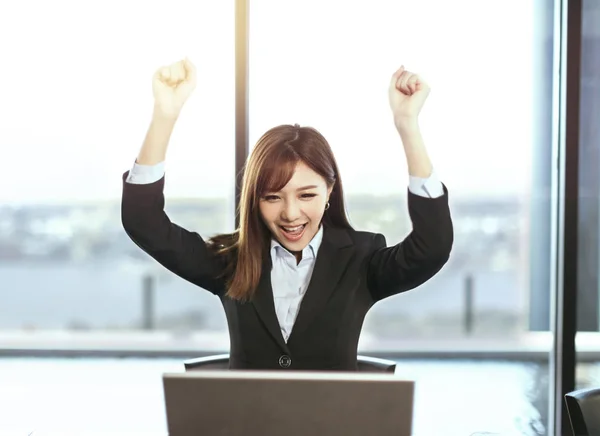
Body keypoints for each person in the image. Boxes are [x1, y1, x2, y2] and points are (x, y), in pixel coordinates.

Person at [121, 58, 453, 371]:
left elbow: (432, 247)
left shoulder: (361, 259)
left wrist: (407, 125)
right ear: (254, 199)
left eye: (307, 194)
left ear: (330, 192)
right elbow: (143, 221)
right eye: (272, 197)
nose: (290, 214)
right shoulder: (231, 261)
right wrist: (164, 115)